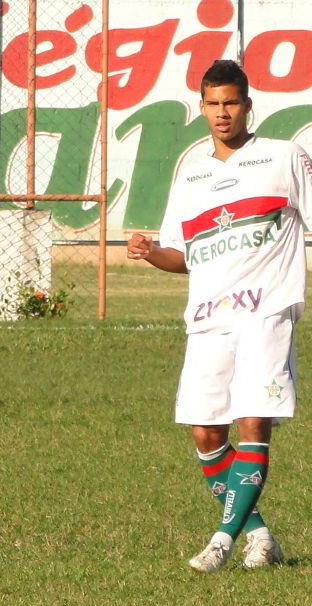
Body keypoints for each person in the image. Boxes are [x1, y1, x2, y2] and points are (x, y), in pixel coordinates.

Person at [127, 59, 312, 573]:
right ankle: (260, 537)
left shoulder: (284, 158)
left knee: (253, 421)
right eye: (213, 104)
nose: (223, 112)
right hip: (209, 318)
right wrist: (148, 252)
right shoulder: (193, 172)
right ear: (202, 108)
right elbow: (182, 255)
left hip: (266, 312)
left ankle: (221, 542)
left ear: (248, 105)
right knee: (207, 435)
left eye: (232, 102)